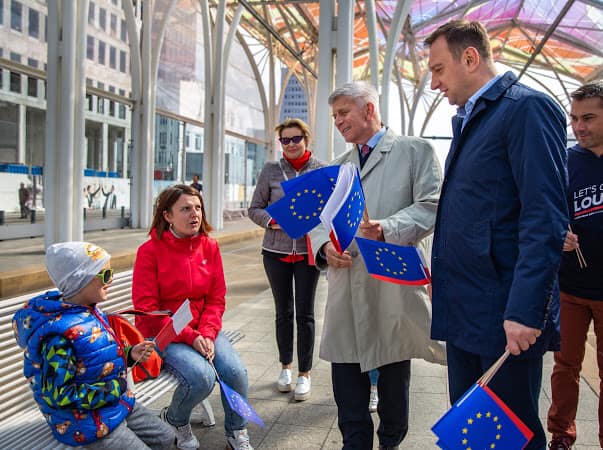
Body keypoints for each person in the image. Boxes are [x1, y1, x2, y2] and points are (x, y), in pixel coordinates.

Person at [424, 20, 568, 450]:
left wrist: (525, 311)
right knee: (474, 432)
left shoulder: (526, 110)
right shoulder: (471, 119)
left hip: (503, 315)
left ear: (470, 58)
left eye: (438, 70)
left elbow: (544, 218)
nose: (433, 84)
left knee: (510, 436)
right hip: (465, 309)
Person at [309, 81, 444, 449]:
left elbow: (433, 205)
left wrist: (389, 228)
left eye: (343, 113)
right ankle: (354, 442)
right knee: (345, 368)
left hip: (391, 279)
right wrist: (324, 248)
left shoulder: (415, 151)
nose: (338, 121)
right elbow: (319, 221)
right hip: (347, 277)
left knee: (393, 367)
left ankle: (390, 441)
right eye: (334, 116)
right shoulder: (339, 167)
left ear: (369, 109)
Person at [12, 242, 175, 449]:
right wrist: (113, 389)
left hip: (114, 403)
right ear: (79, 281)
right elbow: (58, 394)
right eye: (105, 275)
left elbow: (95, 358)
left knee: (166, 438)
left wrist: (129, 354)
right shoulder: (59, 337)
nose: (111, 280)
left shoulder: (88, 312)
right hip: (84, 422)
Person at [132, 184, 253, 450]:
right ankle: (175, 420)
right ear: (167, 216)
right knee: (201, 377)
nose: (194, 214)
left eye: (198, 208)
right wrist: (191, 336)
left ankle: (236, 431)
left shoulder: (210, 246)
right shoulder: (149, 251)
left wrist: (207, 334)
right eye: (185, 209)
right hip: (163, 332)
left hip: (203, 329)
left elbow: (216, 299)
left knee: (235, 372)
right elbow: (147, 308)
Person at [248, 118, 323, 401]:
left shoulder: (320, 170)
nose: (290, 144)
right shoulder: (271, 170)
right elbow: (254, 208)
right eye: (285, 140)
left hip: (306, 253)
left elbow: (328, 208)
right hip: (275, 253)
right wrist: (273, 221)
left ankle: (305, 373)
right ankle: (285, 368)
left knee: (305, 314)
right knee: (283, 313)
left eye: (296, 139)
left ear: (306, 139)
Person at [547, 81, 603, 450]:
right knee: (565, 365)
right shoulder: (565, 162)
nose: (579, 127)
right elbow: (548, 212)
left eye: (589, 118)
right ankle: (561, 435)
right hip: (570, 286)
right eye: (574, 118)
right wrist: (559, 233)